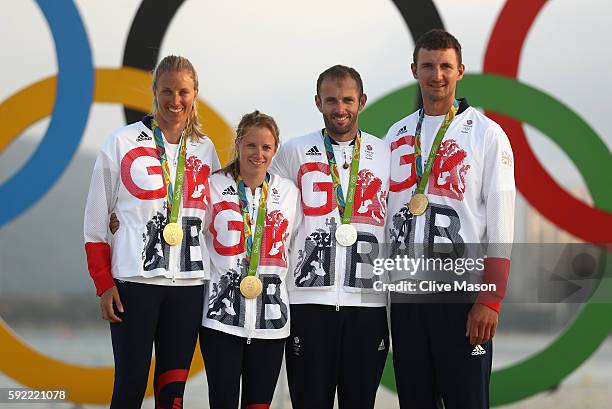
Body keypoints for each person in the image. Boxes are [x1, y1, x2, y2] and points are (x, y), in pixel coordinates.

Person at [385, 29, 515, 409]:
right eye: (427, 66)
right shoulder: (397, 133)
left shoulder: (488, 134)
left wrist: (491, 298)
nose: (436, 75)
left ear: (460, 71)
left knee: (466, 401)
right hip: (407, 297)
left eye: (445, 66)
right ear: (414, 70)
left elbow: (502, 219)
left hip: (463, 294)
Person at [84, 55, 219, 408]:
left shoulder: (205, 150)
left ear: (195, 94)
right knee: (129, 389)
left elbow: (214, 220)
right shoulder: (122, 141)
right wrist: (104, 284)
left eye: (184, 92)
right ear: (154, 92)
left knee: (172, 396)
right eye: (167, 91)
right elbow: (95, 222)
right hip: (134, 285)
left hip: (188, 289)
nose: (176, 101)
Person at [269, 65, 390, 409]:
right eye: (332, 100)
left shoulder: (385, 154)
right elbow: (259, 200)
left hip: (368, 306)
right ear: (318, 102)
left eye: (348, 100)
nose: (340, 108)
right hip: (309, 303)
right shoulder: (293, 151)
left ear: (362, 101)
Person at [200, 111, 302, 409]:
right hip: (221, 319)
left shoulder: (289, 193)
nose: (258, 154)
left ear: (275, 150)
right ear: (238, 145)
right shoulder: (213, 186)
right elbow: (189, 226)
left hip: (271, 320)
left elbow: (296, 242)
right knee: (223, 402)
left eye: (266, 147)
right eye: (251, 146)